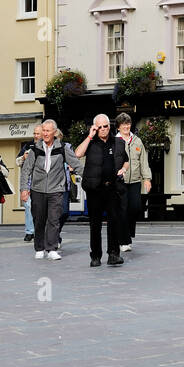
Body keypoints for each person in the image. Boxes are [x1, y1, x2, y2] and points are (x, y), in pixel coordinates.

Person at [19, 119, 83, 261]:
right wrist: (24, 189)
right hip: (37, 189)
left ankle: (52, 248)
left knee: (54, 219)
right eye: (44, 131)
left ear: (54, 132)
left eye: (48, 131)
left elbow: (76, 165)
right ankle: (40, 248)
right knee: (39, 219)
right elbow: (26, 170)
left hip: (56, 189)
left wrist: (91, 179)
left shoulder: (63, 148)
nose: (45, 133)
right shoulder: (35, 149)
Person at [74, 114, 126, 267]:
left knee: (114, 222)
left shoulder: (118, 142)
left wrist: (123, 169)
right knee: (95, 224)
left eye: (106, 126)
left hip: (112, 187)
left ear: (109, 127)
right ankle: (95, 256)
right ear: (95, 128)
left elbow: (126, 160)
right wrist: (90, 136)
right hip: (94, 188)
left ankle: (113, 255)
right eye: (100, 127)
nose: (103, 129)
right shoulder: (90, 142)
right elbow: (77, 154)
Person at [115, 113, 152, 251]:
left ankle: (127, 233)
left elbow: (144, 162)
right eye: (123, 124)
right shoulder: (115, 141)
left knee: (135, 208)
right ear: (118, 127)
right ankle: (124, 240)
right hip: (120, 182)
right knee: (122, 210)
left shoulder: (137, 141)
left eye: (128, 123)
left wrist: (147, 179)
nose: (126, 126)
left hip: (135, 181)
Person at [16, 123, 42, 242]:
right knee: (28, 206)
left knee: (39, 207)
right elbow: (17, 161)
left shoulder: (47, 145)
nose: (36, 136)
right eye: (34, 133)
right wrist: (23, 158)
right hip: (28, 181)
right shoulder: (28, 145)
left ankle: (38, 231)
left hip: (41, 182)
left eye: (38, 133)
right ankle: (29, 231)